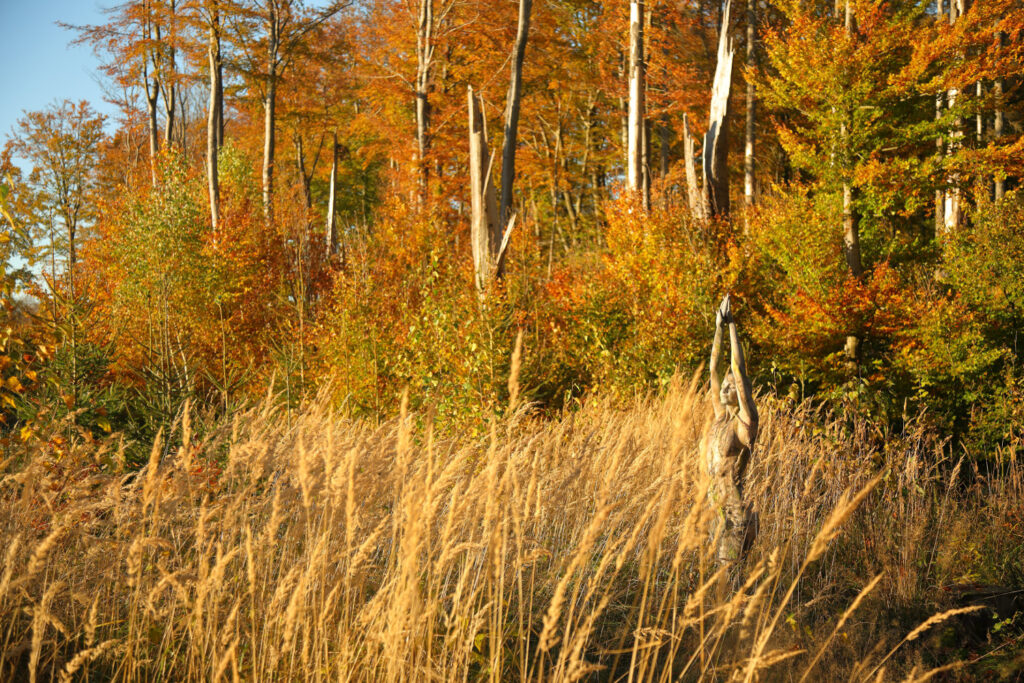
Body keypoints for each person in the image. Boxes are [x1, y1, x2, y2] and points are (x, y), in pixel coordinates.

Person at [703, 294, 758, 572]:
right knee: (717, 581)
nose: (724, 389)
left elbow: (737, 368)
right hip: (716, 508)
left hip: (735, 514)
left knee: (728, 579)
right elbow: (714, 369)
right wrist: (718, 327)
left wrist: (733, 323)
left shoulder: (743, 422)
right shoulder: (721, 416)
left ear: (742, 391)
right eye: (723, 386)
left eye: (731, 386)